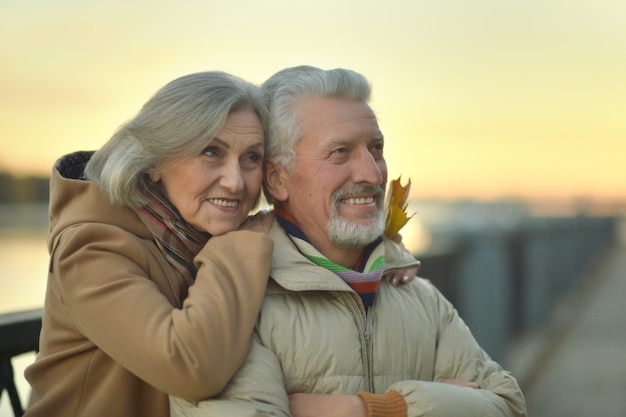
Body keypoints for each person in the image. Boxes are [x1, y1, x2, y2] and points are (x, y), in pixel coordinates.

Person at [170, 66, 527, 417]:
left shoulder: (421, 298)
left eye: (376, 148)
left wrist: (374, 409)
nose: (372, 174)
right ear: (278, 179)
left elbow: (508, 405)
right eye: (340, 152)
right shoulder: (236, 303)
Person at [23, 72, 276, 417]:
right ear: (156, 160)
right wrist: (237, 247)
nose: (234, 182)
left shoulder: (195, 235)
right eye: (211, 152)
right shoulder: (90, 247)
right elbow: (191, 368)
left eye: (251, 158)